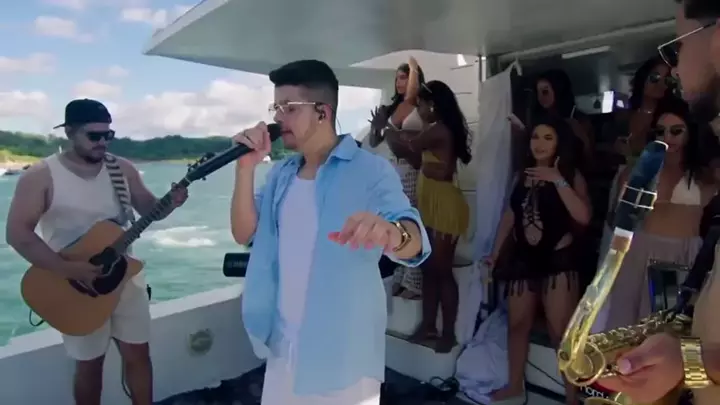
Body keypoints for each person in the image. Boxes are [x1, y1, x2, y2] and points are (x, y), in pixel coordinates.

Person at [229, 59, 430, 405]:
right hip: (283, 349)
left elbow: (415, 240)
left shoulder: (371, 170)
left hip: (343, 357)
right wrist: (245, 169)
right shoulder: (281, 175)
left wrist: (392, 233)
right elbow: (243, 232)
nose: (278, 118)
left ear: (322, 112)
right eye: (276, 108)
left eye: (290, 108)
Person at [5, 99, 188, 405]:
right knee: (90, 366)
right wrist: (69, 269)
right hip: (74, 286)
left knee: (139, 355)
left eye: (108, 135)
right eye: (94, 136)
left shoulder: (121, 169)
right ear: (69, 132)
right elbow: (17, 234)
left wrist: (171, 202)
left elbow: (149, 209)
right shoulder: (40, 176)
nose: (103, 142)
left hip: (124, 277)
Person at [597, 2, 720, 404]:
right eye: (661, 131)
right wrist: (685, 362)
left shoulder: (707, 176)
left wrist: (687, 363)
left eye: (678, 48)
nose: (674, 71)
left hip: (680, 259)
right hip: (642, 258)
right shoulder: (644, 168)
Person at [487, 115, 591, 405]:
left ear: (559, 143)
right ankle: (514, 385)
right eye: (535, 137)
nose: (540, 144)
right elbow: (510, 215)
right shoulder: (522, 174)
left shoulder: (570, 174)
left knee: (561, 332)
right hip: (524, 257)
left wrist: (557, 180)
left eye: (548, 138)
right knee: (517, 324)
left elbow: (584, 216)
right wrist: (495, 253)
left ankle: (572, 397)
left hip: (559, 259)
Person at [598, 98, 716, 332]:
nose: (668, 137)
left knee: (675, 332)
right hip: (639, 253)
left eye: (676, 131)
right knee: (629, 327)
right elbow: (617, 219)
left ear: (691, 132)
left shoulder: (707, 175)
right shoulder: (639, 170)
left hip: (685, 256)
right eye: (661, 131)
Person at [385, 80, 472, 353]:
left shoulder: (439, 130)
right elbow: (416, 159)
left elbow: (404, 146)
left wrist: (385, 127)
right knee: (428, 268)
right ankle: (428, 325)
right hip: (431, 204)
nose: (419, 109)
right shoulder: (435, 130)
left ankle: (448, 333)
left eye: (421, 104)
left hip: (444, 206)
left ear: (432, 105)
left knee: (442, 271)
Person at [365, 57, 426, 300]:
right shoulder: (391, 108)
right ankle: (401, 275)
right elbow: (374, 141)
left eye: (404, 77)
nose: (400, 82)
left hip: (410, 167)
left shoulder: (420, 106)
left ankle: (415, 281)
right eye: (397, 78)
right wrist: (376, 125)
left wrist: (413, 68)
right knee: (395, 218)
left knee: (409, 218)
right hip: (393, 166)